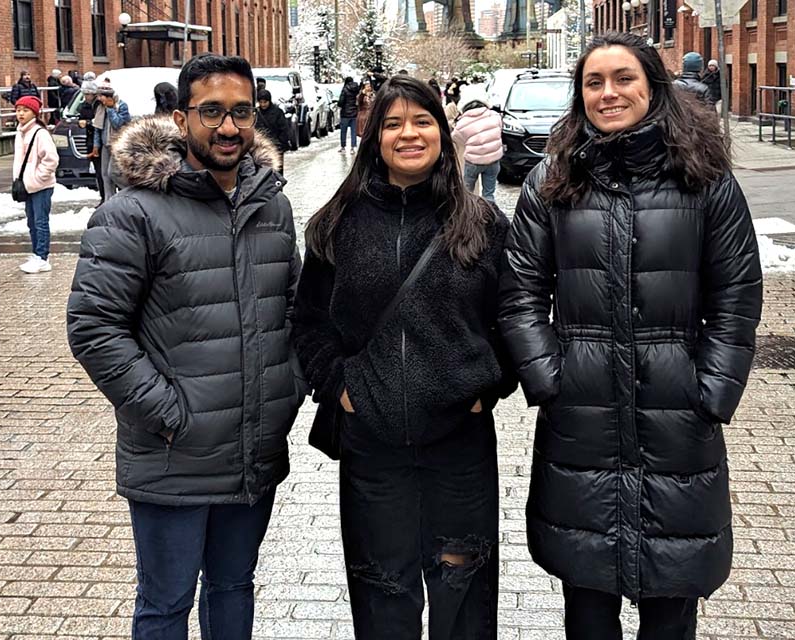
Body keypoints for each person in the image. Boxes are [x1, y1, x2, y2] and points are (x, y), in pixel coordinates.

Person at [498, 31, 763, 640]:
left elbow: (736, 293)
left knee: (673, 592)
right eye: (594, 82)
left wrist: (713, 388)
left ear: (653, 88)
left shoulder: (704, 179)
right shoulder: (552, 180)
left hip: (678, 410)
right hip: (581, 411)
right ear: (579, 94)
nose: (609, 93)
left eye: (623, 80)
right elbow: (519, 293)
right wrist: (548, 376)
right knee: (587, 596)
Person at [67, 53, 305, 640]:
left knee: (232, 590)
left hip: (253, 447)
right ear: (180, 119)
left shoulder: (270, 206)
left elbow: (296, 311)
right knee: (166, 603)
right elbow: (95, 328)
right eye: (211, 112)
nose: (229, 128)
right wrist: (168, 413)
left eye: (241, 112)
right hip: (174, 454)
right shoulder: (133, 214)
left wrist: (287, 390)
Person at [292, 74, 515, 640]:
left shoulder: (483, 224)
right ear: (374, 136)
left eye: (422, 121)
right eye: (393, 123)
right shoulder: (336, 223)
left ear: (443, 130)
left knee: (462, 592)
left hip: (458, 448)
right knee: (381, 592)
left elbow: (514, 320)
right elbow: (309, 323)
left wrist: (486, 388)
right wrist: (340, 386)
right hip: (374, 447)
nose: (408, 134)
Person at [12, 96, 59, 274]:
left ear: (34, 113)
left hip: (40, 185)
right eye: (18, 110)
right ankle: (36, 253)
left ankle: (42, 257)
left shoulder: (40, 133)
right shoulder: (21, 132)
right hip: (26, 185)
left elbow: (51, 159)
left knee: (40, 221)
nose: (21, 114)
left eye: (25, 110)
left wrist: (38, 178)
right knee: (31, 221)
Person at [451, 84, 503, 203]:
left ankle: (469, 215)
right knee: (489, 193)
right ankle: (490, 215)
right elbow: (499, 130)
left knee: (468, 192)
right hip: (493, 161)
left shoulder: (462, 123)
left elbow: (456, 138)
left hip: (473, 162)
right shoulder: (495, 116)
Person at [92, 83, 131, 200]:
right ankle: (109, 199)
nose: (99, 99)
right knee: (105, 175)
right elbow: (98, 129)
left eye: (101, 96)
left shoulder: (121, 106)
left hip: (117, 144)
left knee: (113, 173)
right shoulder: (100, 108)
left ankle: (127, 193)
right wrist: (96, 145)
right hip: (105, 144)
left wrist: (110, 109)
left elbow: (118, 123)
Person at [78, 82, 105, 204]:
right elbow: (81, 119)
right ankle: (103, 196)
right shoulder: (84, 106)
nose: (85, 97)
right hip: (90, 140)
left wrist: (88, 122)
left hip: (99, 142)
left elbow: (98, 123)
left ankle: (105, 196)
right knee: (98, 172)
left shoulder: (98, 105)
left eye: (87, 94)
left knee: (102, 172)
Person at [255, 89, 293, 173]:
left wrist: (280, 145)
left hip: (276, 147)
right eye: (261, 102)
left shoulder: (277, 112)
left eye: (265, 102)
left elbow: (284, 129)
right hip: (261, 148)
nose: (263, 104)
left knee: (276, 171)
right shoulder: (256, 113)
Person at [338, 76, 360, 153]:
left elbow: (341, 102)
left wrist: (340, 105)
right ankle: (353, 147)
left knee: (343, 131)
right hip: (354, 113)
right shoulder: (357, 89)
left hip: (345, 114)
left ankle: (343, 147)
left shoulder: (345, 89)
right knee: (353, 131)